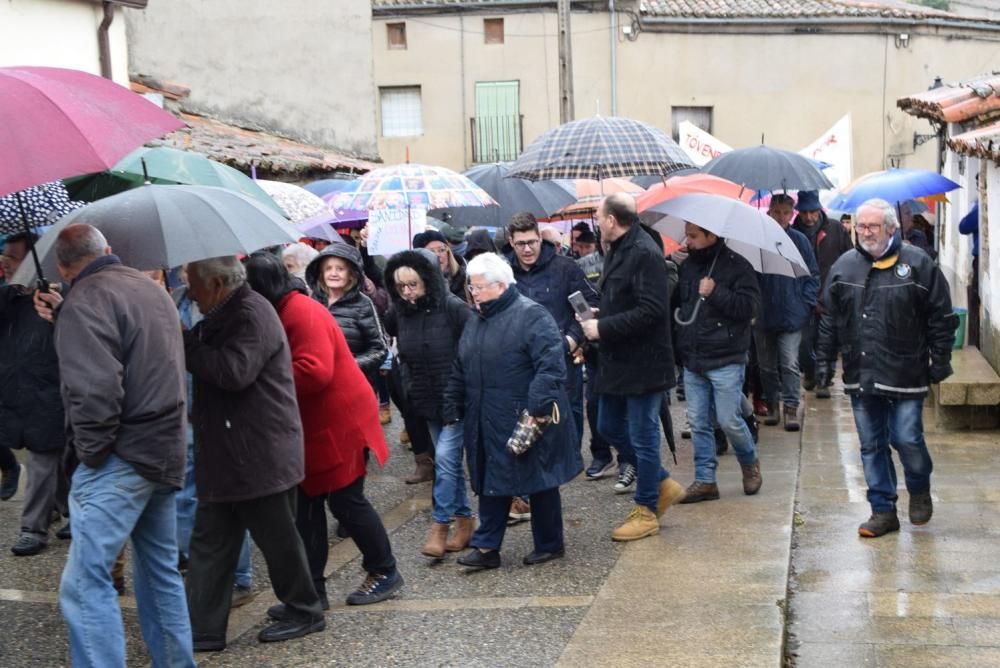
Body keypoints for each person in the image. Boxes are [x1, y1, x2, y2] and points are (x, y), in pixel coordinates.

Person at [34, 224, 195, 667]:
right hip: (164, 444)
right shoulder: (149, 289)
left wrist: (92, 453)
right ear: (107, 250)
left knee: (85, 582)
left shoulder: (86, 301)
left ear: (63, 268)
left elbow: (96, 391)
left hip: (122, 454)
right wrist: (66, 313)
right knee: (159, 573)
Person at [244, 253, 403, 610]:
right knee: (308, 508)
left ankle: (384, 570)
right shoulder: (291, 307)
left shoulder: (299, 311)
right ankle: (311, 589)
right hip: (316, 424)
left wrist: (262, 376)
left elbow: (314, 372)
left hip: (337, 422)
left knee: (346, 501)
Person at [183, 256, 325, 650]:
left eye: (192, 283)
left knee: (278, 540)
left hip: (258, 454)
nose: (190, 293)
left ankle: (304, 609)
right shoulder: (228, 310)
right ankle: (203, 629)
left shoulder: (249, 312)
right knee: (210, 543)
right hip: (231, 455)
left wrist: (186, 341)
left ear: (214, 284)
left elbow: (234, 371)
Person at [816, 199, 956, 538]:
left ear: (891, 228)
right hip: (861, 373)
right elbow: (829, 320)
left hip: (907, 372)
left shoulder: (918, 264)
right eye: (861, 226)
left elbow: (941, 317)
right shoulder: (844, 267)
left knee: (907, 439)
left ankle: (919, 489)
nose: (865, 233)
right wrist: (822, 362)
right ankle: (882, 510)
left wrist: (940, 359)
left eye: (873, 226)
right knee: (870, 445)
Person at [443, 253, 581, 569]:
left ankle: (549, 543)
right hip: (486, 414)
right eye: (471, 287)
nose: (472, 293)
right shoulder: (477, 318)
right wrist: (452, 399)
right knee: (492, 479)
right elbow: (460, 364)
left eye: (477, 287)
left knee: (540, 480)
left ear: (500, 285)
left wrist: (537, 408)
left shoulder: (532, 315)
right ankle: (487, 547)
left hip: (524, 415)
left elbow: (550, 366)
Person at [579, 194, 683, 541]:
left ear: (611, 220)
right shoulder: (619, 248)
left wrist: (603, 327)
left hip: (644, 365)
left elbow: (652, 310)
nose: (596, 221)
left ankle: (646, 509)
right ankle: (662, 482)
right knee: (608, 425)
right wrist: (601, 316)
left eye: (598, 216)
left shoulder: (643, 252)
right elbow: (627, 300)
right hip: (618, 363)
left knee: (643, 436)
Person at [384, 249, 475, 558]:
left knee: (447, 461)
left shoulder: (454, 308)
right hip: (425, 398)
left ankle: (439, 526)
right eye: (401, 287)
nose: (408, 292)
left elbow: (472, 353)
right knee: (449, 465)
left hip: (456, 399)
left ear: (428, 280)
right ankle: (465, 523)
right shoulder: (398, 313)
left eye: (413, 284)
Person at [171, 270, 255, 607]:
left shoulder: (236, 307)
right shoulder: (175, 300)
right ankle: (199, 569)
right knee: (183, 498)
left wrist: (188, 339)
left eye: (193, 275)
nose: (187, 281)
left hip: (222, 417)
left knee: (228, 498)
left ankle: (237, 577)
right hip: (181, 415)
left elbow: (232, 369)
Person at [674, 222, 762, 504]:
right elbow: (683, 305)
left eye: (693, 236)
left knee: (729, 420)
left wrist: (716, 292)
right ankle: (705, 479)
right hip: (694, 357)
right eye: (687, 234)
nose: (687, 241)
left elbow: (749, 308)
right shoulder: (687, 266)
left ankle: (750, 463)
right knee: (699, 422)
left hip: (726, 356)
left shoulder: (739, 266)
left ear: (711, 235)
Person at [0, 232, 68, 555]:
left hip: (50, 392)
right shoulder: (8, 298)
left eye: (12, 258)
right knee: (60, 460)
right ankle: (65, 508)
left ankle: (33, 528)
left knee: (45, 457)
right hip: (15, 392)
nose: (5, 263)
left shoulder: (54, 297)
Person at [756, 194, 820, 432]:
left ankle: (791, 408)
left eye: (786, 212)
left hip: (792, 313)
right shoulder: (759, 239)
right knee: (766, 366)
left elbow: (812, 274)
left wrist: (806, 303)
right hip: (763, 315)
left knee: (790, 363)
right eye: (777, 211)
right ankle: (772, 404)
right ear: (770, 212)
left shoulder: (800, 241)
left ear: (791, 214)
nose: (781, 216)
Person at [792, 190, 853, 398]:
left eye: (813, 211)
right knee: (804, 342)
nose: (809, 217)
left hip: (831, 295)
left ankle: (824, 380)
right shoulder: (793, 234)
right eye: (804, 212)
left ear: (819, 209)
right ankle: (810, 371)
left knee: (827, 341)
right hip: (803, 297)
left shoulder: (836, 230)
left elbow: (849, 258)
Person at [305, 244, 388, 383]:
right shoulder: (312, 301)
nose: (333, 273)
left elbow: (379, 349)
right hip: (317, 383)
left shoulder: (363, 304)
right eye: (328, 268)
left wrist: (348, 366)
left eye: (340, 269)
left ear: (351, 274)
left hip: (353, 384)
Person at [413, 229, 468, 299]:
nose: (437, 255)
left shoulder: (465, 279)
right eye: (431, 252)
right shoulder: (412, 286)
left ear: (448, 252)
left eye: (441, 250)